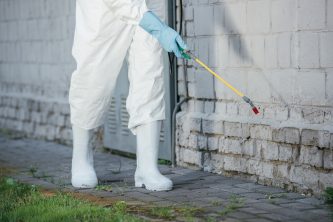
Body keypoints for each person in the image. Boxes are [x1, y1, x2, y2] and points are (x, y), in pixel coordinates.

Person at [69, 0, 187, 191]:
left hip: (149, 4)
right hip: (102, 9)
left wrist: (156, 25)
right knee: (92, 77)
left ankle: (147, 168)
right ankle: (81, 159)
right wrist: (157, 27)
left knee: (150, 77)